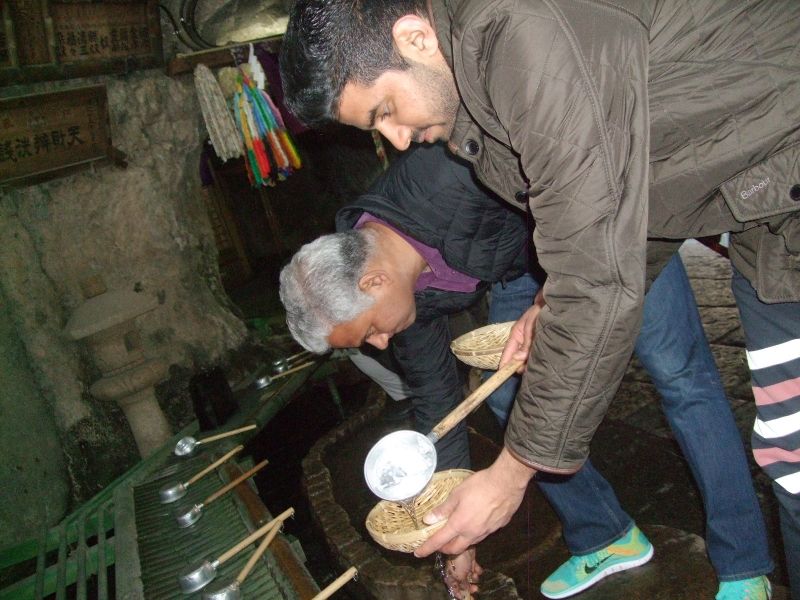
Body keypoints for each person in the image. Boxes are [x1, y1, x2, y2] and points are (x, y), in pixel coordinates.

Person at [278, 3, 800, 598]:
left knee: (682, 378)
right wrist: (550, 302)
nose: (398, 139)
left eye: (386, 112)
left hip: (633, 233)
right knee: (787, 455)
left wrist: (511, 473)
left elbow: (595, 253)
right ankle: (606, 536)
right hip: (710, 218)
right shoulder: (467, 112)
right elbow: (435, 400)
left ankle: (741, 565)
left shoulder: (510, 49)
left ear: (417, 38)